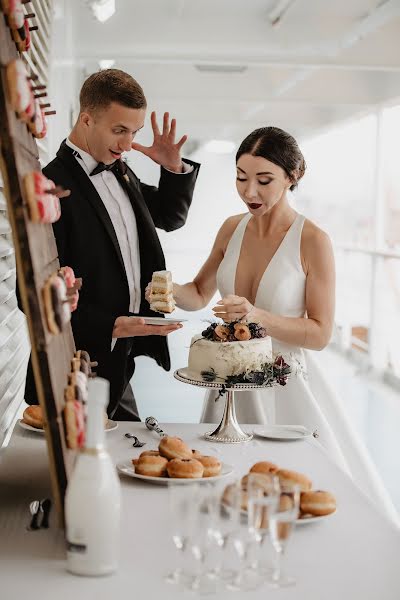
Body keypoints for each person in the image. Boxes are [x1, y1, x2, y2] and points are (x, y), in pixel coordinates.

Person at [162, 126, 398, 520]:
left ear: (293, 176)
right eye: (241, 178)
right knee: (224, 497)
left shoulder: (313, 240)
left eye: (264, 180)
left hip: (285, 389)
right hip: (229, 388)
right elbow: (199, 293)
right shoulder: (230, 228)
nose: (249, 192)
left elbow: (321, 333)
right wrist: (164, 289)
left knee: (288, 498)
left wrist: (256, 317)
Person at [24, 68, 200, 421]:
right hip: (75, 363)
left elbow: (168, 217)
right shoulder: (49, 188)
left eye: (134, 132)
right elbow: (29, 296)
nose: (127, 144)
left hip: (121, 356)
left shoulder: (120, 169)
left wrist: (173, 168)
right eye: (119, 131)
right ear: (86, 120)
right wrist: (112, 326)